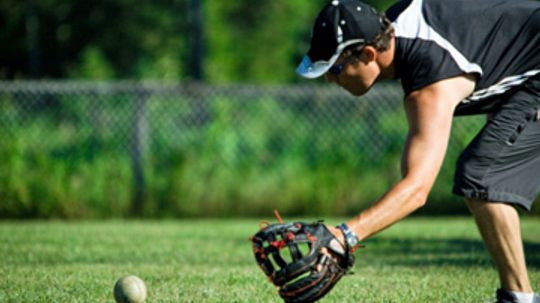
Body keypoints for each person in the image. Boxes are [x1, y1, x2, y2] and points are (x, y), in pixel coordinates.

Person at [296, 0, 540, 302]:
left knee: (483, 177)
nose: (331, 79)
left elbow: (415, 190)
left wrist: (344, 236)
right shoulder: (402, 25)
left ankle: (519, 298)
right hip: (529, 72)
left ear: (370, 54)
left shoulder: (430, 79)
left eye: (335, 67)